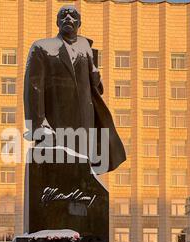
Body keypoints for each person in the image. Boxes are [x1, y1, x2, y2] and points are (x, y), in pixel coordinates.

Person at [24, 5, 126, 174]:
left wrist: (95, 71)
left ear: (80, 23)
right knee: (56, 171)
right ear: (57, 22)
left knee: (81, 172)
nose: (68, 18)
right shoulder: (42, 47)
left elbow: (96, 87)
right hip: (56, 119)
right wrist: (38, 124)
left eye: (73, 15)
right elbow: (34, 87)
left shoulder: (85, 46)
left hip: (84, 121)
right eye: (63, 15)